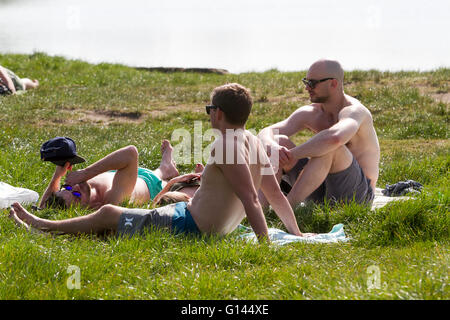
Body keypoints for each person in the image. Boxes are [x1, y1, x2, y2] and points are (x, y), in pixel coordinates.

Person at [10, 83, 312, 242]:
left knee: (109, 213)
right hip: (188, 215)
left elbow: (252, 200)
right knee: (128, 216)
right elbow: (274, 194)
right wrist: (295, 233)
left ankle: (44, 225)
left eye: (209, 109)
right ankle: (54, 223)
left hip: (191, 227)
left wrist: (265, 247)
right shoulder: (254, 141)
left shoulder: (226, 145)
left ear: (218, 113)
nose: (208, 115)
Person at [258, 59, 380, 209]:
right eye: (306, 82)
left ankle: (286, 208)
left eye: (312, 83)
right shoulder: (311, 112)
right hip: (320, 188)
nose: (307, 88)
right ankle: (260, 210)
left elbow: (335, 138)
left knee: (331, 146)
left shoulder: (355, 111)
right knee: (278, 141)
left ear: (333, 84)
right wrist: (273, 147)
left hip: (357, 196)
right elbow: (266, 132)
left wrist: (291, 154)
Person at [39, 139, 182, 210]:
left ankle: (166, 168)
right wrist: (84, 173)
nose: (75, 187)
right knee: (173, 181)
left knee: (161, 171)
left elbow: (42, 208)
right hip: (152, 186)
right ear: (89, 209)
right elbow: (131, 153)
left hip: (126, 174)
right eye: (76, 196)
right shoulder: (111, 200)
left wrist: (58, 175)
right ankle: (167, 170)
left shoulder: (81, 188)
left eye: (67, 188)